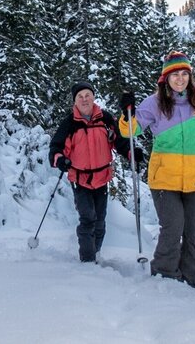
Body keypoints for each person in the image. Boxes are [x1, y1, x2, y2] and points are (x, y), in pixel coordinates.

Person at [118, 51, 195, 287]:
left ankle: (189, 283)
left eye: (184, 74)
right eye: (175, 74)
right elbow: (130, 130)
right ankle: (165, 278)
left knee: (194, 233)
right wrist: (127, 113)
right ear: (165, 78)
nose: (180, 79)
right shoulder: (154, 103)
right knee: (173, 227)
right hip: (165, 178)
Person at [48, 81, 137, 263]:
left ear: (93, 97)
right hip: (80, 178)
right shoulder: (70, 123)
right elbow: (55, 147)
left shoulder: (105, 119)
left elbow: (118, 141)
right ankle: (87, 261)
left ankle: (95, 253)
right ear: (75, 101)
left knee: (100, 221)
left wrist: (130, 152)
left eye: (87, 95)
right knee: (88, 218)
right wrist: (60, 159)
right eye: (80, 97)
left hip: (102, 177)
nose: (84, 99)